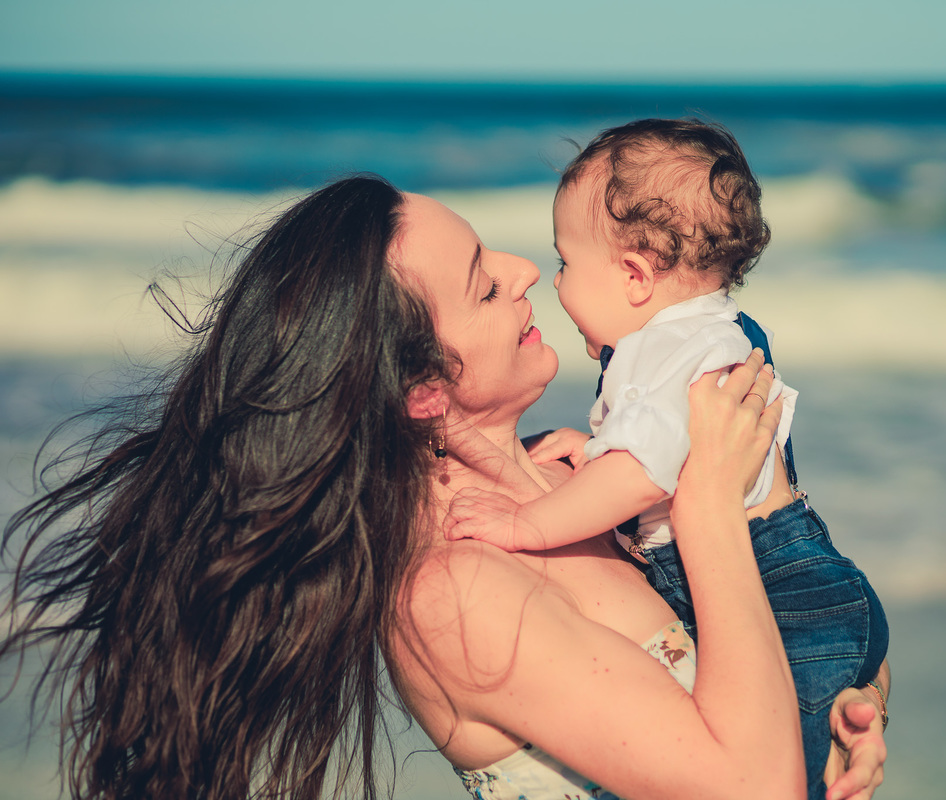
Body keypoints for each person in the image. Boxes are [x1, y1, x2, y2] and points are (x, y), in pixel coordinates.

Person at [0, 175, 886, 800]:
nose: (527, 271)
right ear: (424, 389)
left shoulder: (577, 477)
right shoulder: (451, 591)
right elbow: (751, 789)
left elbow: (804, 604)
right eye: (483, 281)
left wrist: (853, 712)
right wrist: (705, 513)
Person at [445, 118, 889, 800]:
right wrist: (594, 448)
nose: (544, 278)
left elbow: (645, 473)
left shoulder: (663, 351)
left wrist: (526, 526)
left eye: (565, 263)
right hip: (803, 583)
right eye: (481, 286)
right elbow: (661, 449)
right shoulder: (705, 332)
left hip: (779, 588)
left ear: (634, 276)